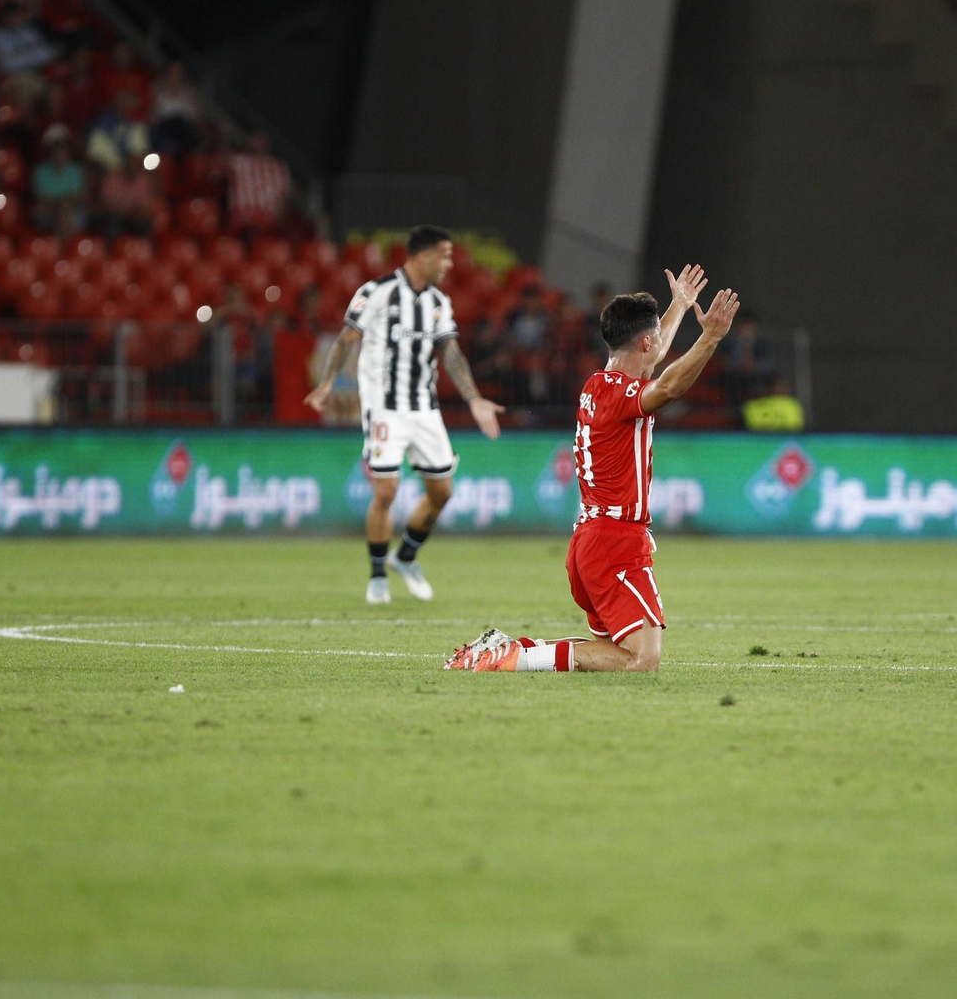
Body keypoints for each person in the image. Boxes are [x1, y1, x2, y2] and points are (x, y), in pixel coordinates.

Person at [445, 266, 738, 673]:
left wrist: (679, 305)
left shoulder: (597, 385)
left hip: (590, 540)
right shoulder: (624, 395)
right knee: (642, 660)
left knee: (610, 652)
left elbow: (650, 357)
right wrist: (710, 338)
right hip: (616, 543)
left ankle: (508, 651)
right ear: (646, 341)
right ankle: (511, 657)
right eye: (654, 338)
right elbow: (669, 386)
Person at [304, 225, 506, 605]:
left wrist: (474, 398)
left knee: (442, 492)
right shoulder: (375, 292)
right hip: (385, 408)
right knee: (386, 490)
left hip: (424, 408)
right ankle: (378, 575)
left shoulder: (438, 302)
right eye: (444, 256)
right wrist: (328, 382)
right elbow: (347, 338)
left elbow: (451, 352)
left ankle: (406, 557)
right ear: (423, 256)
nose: (449, 264)